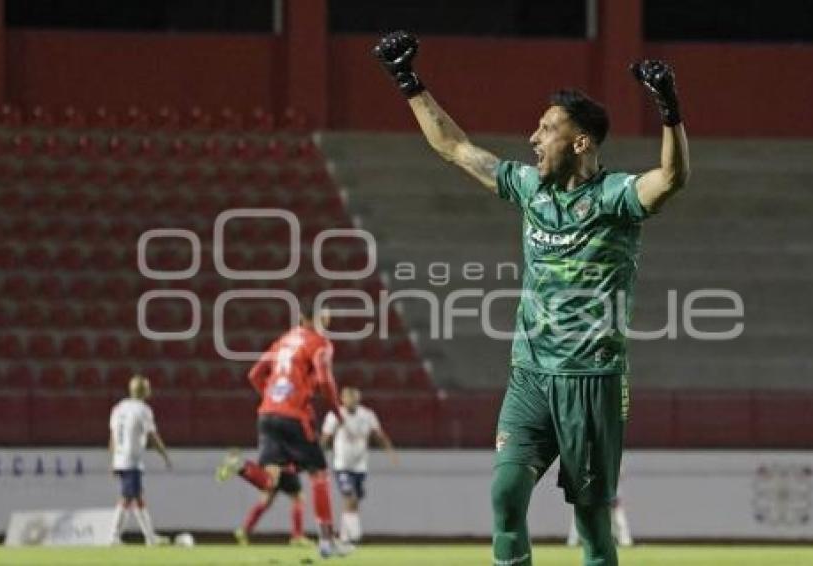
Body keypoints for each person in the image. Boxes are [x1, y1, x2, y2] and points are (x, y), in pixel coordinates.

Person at [374, 31, 690, 566]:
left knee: (591, 525)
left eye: (548, 129)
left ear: (581, 142)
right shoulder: (530, 189)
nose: (534, 138)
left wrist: (669, 111)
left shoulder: (614, 198)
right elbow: (455, 147)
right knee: (504, 494)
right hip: (530, 373)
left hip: (590, 380)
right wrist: (409, 83)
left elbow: (672, 179)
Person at [215, 303, 352, 558]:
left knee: (269, 480)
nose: (328, 326)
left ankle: (240, 466)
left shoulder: (283, 340)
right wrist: (338, 412)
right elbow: (324, 381)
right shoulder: (320, 343)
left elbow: (254, 374)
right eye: (325, 320)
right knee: (319, 474)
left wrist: (273, 400)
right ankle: (326, 542)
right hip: (292, 417)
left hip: (267, 415)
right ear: (311, 319)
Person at [321, 387, 398, 544]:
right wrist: (316, 456)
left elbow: (378, 434)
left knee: (355, 500)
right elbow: (326, 437)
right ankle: (355, 534)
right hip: (342, 463)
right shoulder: (335, 415)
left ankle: (344, 535)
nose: (351, 401)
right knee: (349, 496)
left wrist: (390, 451)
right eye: (348, 397)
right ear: (342, 399)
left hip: (360, 465)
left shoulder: (367, 415)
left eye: (354, 397)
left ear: (358, 398)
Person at [108, 374, 172, 545]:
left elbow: (113, 436)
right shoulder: (143, 410)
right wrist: (164, 453)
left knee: (136, 497)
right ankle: (114, 536)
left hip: (121, 458)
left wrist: (113, 460)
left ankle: (150, 537)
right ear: (145, 390)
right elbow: (152, 435)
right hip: (131, 459)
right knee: (128, 498)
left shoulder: (119, 408)